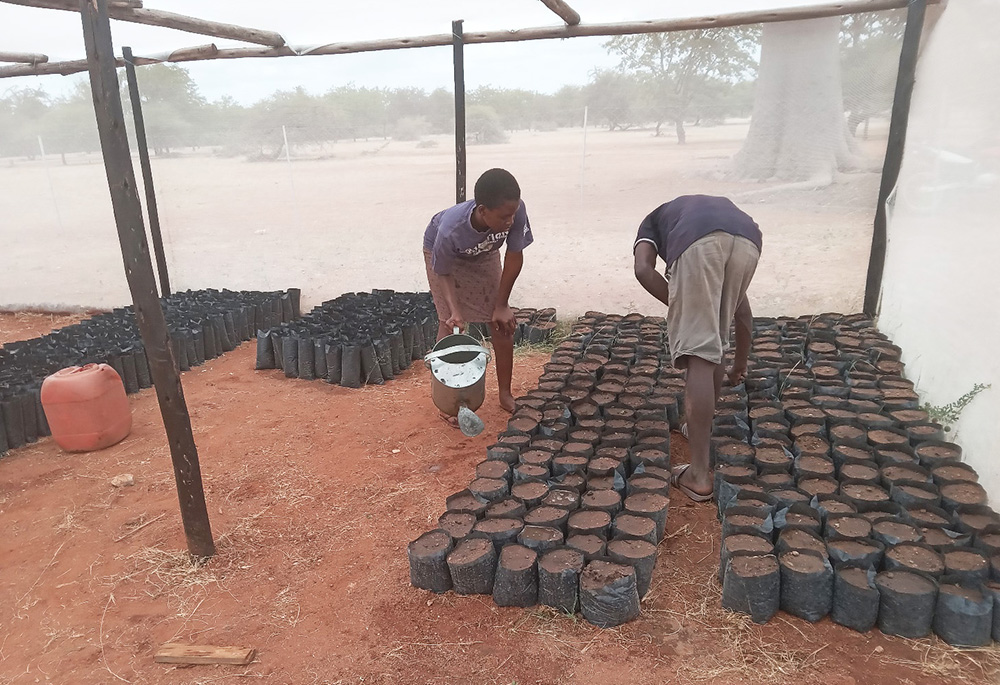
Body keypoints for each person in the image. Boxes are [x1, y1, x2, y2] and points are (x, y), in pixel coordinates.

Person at [632, 194, 761, 502]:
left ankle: (699, 475)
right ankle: (695, 426)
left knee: (699, 351)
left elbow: (642, 269)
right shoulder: (693, 213)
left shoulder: (651, 223)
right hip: (749, 240)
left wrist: (684, 307)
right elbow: (742, 313)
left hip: (700, 244)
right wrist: (739, 365)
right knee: (711, 334)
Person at [423, 168, 533, 415]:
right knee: (449, 323)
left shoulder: (515, 210)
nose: (511, 222)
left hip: (484, 254)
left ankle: (505, 394)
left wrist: (502, 305)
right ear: (483, 210)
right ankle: (447, 401)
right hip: (446, 259)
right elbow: (443, 271)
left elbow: (515, 256)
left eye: (513, 214)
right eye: (504, 217)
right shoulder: (450, 229)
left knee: (501, 323)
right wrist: (455, 311)